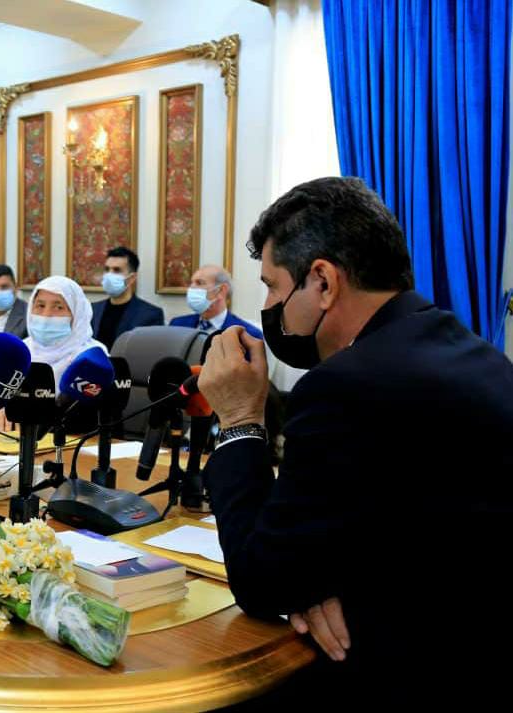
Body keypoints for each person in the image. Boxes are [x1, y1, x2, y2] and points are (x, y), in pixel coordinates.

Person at [197, 177, 513, 700]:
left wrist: (239, 418)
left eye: (274, 286)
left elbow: (262, 581)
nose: (270, 304)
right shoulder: (470, 349)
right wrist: (316, 581)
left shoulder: (345, 386)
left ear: (322, 280)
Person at [0, 275, 106, 432]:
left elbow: (88, 419)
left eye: (58, 307)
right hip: (12, 440)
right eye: (40, 305)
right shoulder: (20, 350)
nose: (46, 314)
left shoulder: (93, 357)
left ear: (77, 314)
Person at [90, 246, 164, 349]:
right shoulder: (92, 310)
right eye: (107, 269)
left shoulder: (150, 314)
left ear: (131, 278)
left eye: (117, 270)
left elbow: (149, 353)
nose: (109, 275)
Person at [169, 264, 263, 339]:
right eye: (191, 283)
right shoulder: (176, 325)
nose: (191, 288)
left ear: (221, 290)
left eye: (199, 283)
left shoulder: (249, 335)